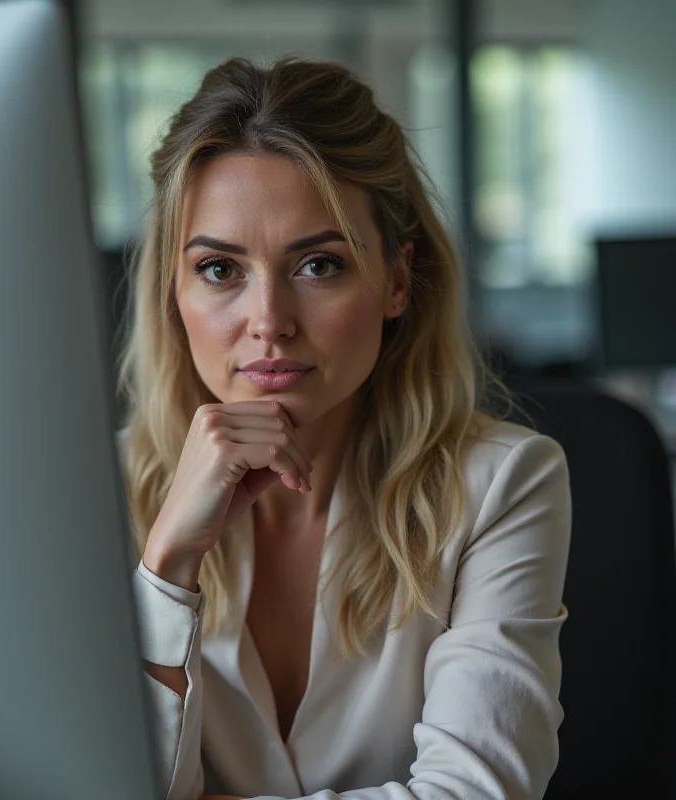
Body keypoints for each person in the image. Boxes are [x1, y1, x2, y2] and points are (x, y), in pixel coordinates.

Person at [116, 57, 570, 800]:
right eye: (221, 271)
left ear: (396, 280)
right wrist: (165, 568)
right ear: (173, 287)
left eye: (319, 265)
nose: (268, 324)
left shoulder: (502, 482)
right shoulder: (94, 494)